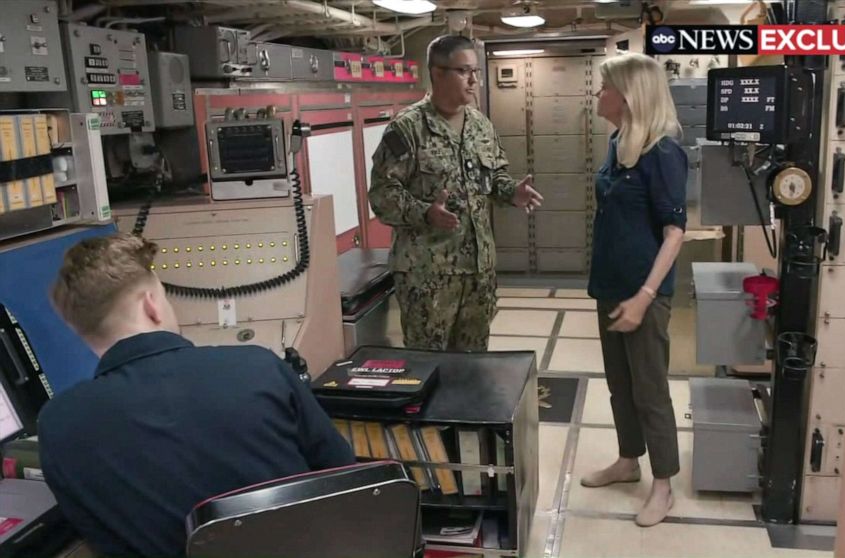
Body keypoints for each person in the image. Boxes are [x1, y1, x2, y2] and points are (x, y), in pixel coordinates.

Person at [38, 233, 355, 557]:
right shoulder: (257, 367)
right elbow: (344, 477)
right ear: (151, 305)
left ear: (79, 329)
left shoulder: (58, 425)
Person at [368, 34, 543, 352]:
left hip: (478, 273)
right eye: (464, 71)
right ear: (437, 73)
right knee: (429, 365)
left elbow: (493, 178)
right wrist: (425, 212)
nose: (475, 79)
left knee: (474, 364)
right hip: (428, 276)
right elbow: (382, 195)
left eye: (475, 71)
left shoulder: (480, 125)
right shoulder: (407, 129)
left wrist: (511, 192)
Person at [580, 53, 688, 528]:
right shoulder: (620, 141)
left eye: (604, 87)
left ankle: (663, 484)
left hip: (644, 293)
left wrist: (645, 297)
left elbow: (674, 233)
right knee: (620, 385)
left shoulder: (664, 151)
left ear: (627, 96)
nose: (597, 94)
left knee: (650, 389)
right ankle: (628, 461)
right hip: (611, 286)